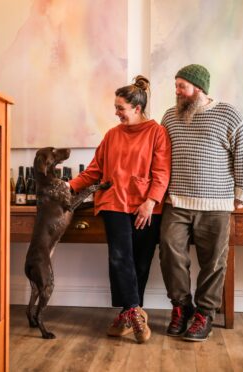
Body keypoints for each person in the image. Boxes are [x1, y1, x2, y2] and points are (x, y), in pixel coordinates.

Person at [68, 75, 171, 343]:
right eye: (116, 107)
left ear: (137, 108)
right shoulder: (112, 135)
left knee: (141, 261)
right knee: (119, 257)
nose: (116, 113)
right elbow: (94, 170)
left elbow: (162, 172)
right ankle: (136, 315)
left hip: (146, 206)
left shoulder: (157, 132)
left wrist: (150, 202)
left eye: (120, 108)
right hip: (114, 202)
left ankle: (128, 313)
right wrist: (68, 187)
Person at [159, 64, 243, 342]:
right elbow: (160, 157)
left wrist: (241, 193)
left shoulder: (228, 113)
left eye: (182, 86)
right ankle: (181, 307)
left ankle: (205, 314)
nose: (176, 91)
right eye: (175, 85)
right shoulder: (170, 116)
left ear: (198, 88)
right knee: (169, 253)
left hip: (216, 204)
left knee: (213, 262)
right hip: (176, 201)